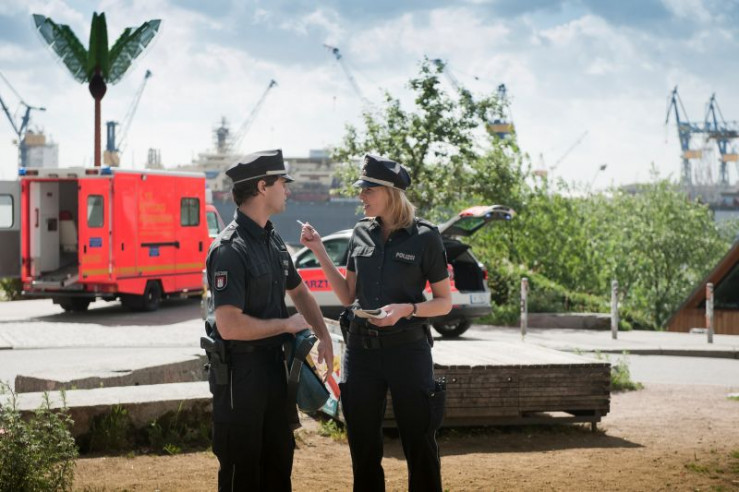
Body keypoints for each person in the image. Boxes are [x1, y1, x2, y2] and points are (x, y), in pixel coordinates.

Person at [299, 154, 452, 492]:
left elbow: (444, 302)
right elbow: (347, 295)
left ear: (390, 192)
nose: (361, 196)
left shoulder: (425, 236)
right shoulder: (361, 233)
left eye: (368, 189)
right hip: (362, 353)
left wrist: (407, 309)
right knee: (362, 444)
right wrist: (319, 250)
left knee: (419, 442)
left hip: (408, 351)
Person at [205, 149, 334, 491]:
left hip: (275, 372)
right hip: (240, 377)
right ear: (263, 187)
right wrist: (286, 326)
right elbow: (229, 325)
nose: (287, 190)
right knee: (242, 472)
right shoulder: (229, 249)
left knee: (278, 466)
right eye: (282, 183)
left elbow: (300, 292)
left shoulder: (273, 240)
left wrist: (325, 337)